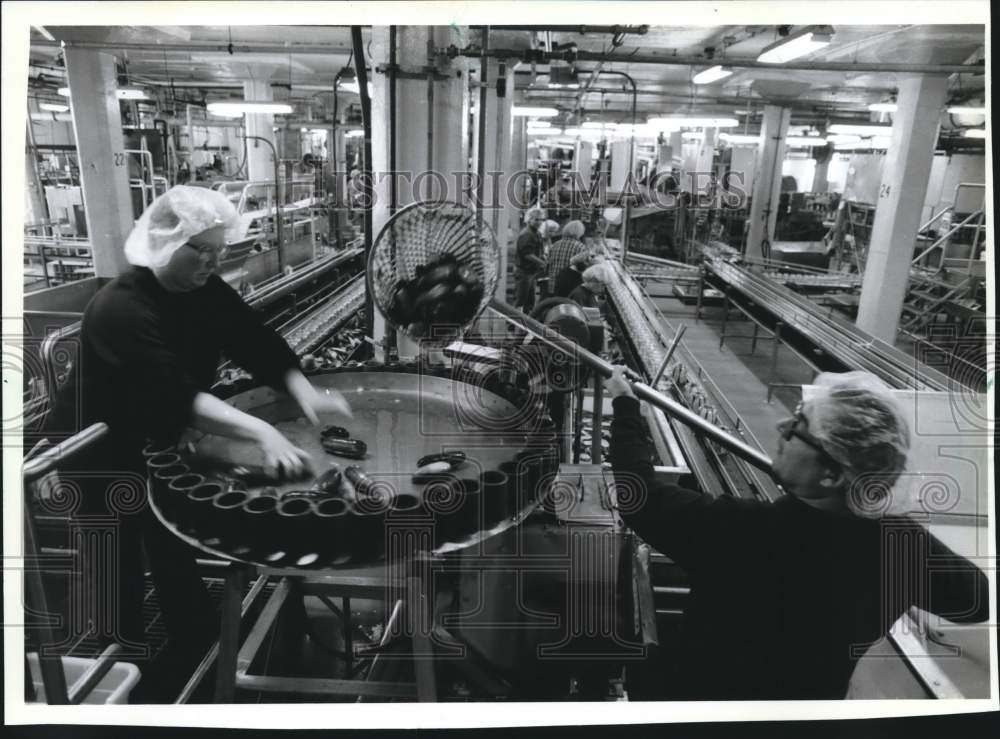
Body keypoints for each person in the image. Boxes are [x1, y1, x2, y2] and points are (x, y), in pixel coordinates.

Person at [43, 186, 352, 697]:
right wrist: (260, 429)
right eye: (200, 251)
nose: (212, 261)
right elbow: (172, 391)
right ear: (165, 243)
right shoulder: (119, 308)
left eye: (218, 249)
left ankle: (198, 651)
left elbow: (255, 341)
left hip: (157, 439)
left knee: (173, 540)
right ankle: (123, 677)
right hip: (99, 450)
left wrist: (304, 392)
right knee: (114, 559)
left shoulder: (205, 291)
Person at [606, 369, 988, 700]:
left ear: (833, 475)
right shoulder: (901, 545)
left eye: (796, 428)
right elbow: (975, 601)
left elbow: (640, 498)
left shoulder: (749, 533)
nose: (780, 428)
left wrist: (625, 406)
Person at [514, 207, 546, 312]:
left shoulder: (537, 233)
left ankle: (525, 324)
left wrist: (543, 257)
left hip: (531, 272)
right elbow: (527, 254)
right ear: (529, 219)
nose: (539, 222)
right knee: (521, 300)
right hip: (523, 272)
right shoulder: (527, 234)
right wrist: (542, 262)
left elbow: (537, 250)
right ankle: (512, 326)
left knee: (530, 301)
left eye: (541, 219)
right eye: (536, 219)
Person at [546, 220, 587, 289]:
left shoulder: (555, 244)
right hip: (569, 288)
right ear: (580, 233)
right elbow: (583, 270)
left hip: (552, 285)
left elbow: (548, 264)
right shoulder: (581, 247)